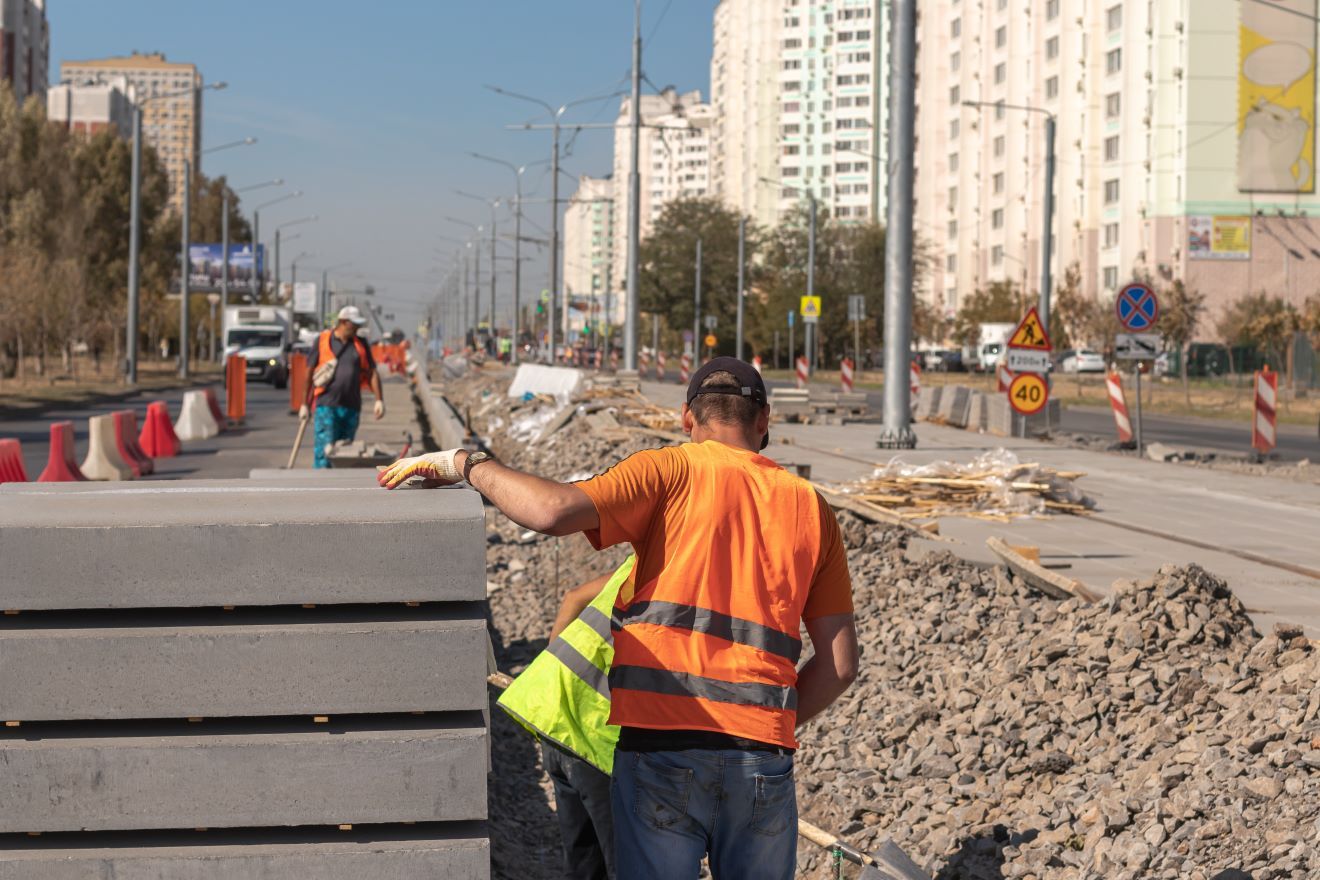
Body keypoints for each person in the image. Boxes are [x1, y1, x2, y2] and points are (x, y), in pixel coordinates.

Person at [378, 356, 859, 880]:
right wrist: (767, 725)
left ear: (687, 419)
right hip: (760, 757)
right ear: (763, 421)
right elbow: (839, 665)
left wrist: (465, 463)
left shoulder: (670, 470)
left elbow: (551, 510)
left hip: (660, 752)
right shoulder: (812, 508)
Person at [498, 557, 636, 880]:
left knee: (584, 863)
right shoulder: (681, 590)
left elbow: (573, 596)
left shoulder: (640, 563)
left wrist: (552, 664)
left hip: (553, 718)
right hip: (593, 742)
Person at [300, 306, 385, 469]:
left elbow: (371, 372)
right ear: (344, 322)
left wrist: (379, 400)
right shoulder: (323, 340)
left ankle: (340, 489)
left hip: (351, 407)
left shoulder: (360, 344)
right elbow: (309, 371)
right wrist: (304, 404)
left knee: (345, 455)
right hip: (327, 406)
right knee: (325, 452)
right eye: (355, 324)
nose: (358, 328)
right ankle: (320, 488)